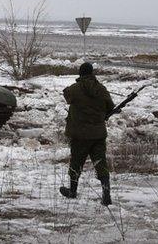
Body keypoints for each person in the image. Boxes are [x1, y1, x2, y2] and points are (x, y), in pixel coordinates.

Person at [60, 62, 115, 206]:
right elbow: (110, 107)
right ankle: (106, 195)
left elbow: (67, 96)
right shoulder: (101, 89)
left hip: (80, 135)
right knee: (101, 163)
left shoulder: (75, 89)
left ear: (80, 73)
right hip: (98, 134)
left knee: (76, 163)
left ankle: (72, 191)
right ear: (92, 73)